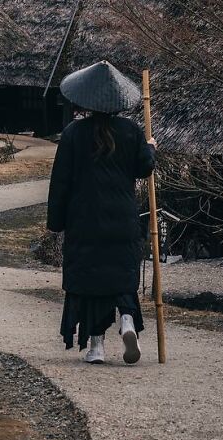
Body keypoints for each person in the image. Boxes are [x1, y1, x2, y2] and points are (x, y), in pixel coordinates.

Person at [47, 61, 156, 364]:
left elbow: (60, 183)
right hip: (122, 218)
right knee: (121, 276)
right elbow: (144, 168)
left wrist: (55, 222)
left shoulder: (73, 134)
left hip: (84, 220)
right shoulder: (131, 132)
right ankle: (127, 323)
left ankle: (96, 348)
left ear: (85, 99)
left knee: (91, 281)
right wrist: (150, 147)